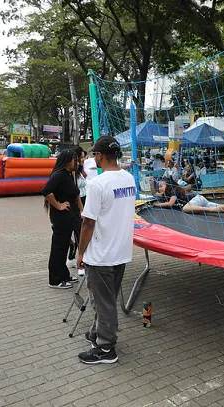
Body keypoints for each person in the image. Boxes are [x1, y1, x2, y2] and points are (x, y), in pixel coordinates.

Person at [76, 136, 136, 364]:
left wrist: (80, 252)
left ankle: (106, 348)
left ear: (100, 156)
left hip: (101, 254)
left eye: (94, 155)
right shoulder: (129, 179)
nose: (93, 158)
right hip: (120, 251)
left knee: (104, 302)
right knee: (107, 298)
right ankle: (97, 333)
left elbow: (88, 222)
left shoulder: (97, 184)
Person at [42, 150, 82, 289]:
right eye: (74, 160)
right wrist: (58, 205)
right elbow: (46, 190)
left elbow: (75, 195)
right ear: (67, 161)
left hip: (70, 217)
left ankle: (64, 275)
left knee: (64, 247)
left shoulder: (69, 175)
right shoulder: (59, 175)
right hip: (61, 218)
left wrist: (81, 210)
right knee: (58, 248)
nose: (76, 163)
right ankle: (55, 279)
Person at [153, 180, 224, 214]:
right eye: (159, 187)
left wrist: (158, 204)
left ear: (168, 186)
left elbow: (170, 203)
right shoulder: (168, 193)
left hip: (196, 201)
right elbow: (156, 194)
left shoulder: (173, 192)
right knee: (223, 208)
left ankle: (209, 210)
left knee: (185, 208)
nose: (160, 188)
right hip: (199, 200)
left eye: (161, 186)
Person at [67, 147, 88, 275]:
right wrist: (81, 209)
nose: (82, 160)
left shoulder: (79, 172)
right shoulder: (72, 173)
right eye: (80, 157)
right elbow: (76, 193)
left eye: (83, 157)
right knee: (79, 233)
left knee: (79, 233)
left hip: (83, 201)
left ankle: (73, 257)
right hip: (78, 204)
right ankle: (80, 262)